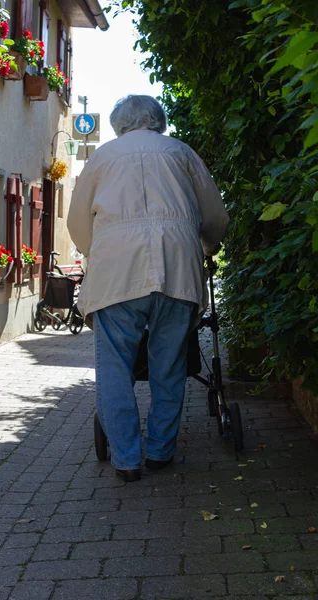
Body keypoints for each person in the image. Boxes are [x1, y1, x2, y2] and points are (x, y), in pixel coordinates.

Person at [68, 95, 229, 482]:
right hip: (177, 270)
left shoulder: (103, 157)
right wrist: (206, 247)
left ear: (118, 124)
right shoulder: (181, 152)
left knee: (114, 369)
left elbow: (77, 223)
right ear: (159, 120)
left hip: (116, 276)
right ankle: (160, 452)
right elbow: (215, 216)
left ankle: (126, 459)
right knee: (169, 365)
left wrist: (99, 252)